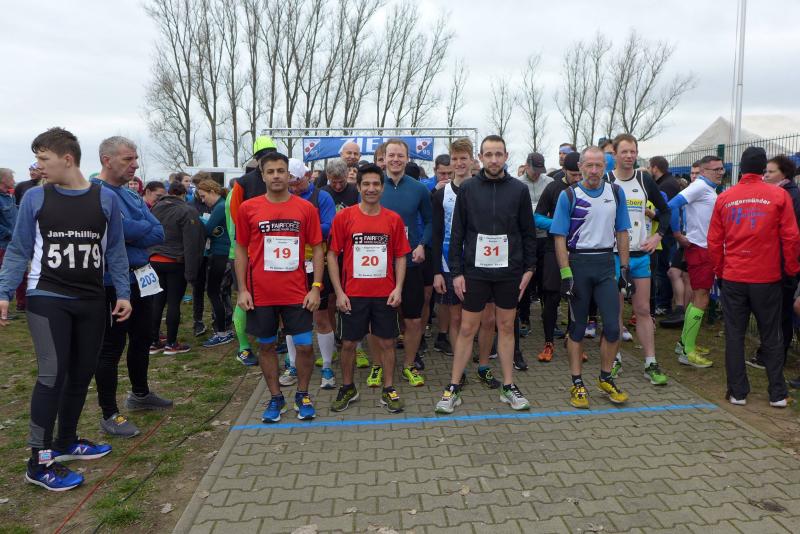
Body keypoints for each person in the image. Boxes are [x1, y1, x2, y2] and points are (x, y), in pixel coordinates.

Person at [0, 127, 131, 491]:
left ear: (67, 159)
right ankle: (39, 460)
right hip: (48, 297)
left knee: (81, 372)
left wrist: (123, 293)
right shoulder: (35, 198)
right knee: (51, 374)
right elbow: (19, 249)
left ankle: (66, 441)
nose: (38, 166)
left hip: (92, 300)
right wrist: (4, 292)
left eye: (44, 159)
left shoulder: (105, 199)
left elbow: (115, 250)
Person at [435, 135, 536, 414]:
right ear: (481, 157)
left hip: (508, 272)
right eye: (488, 154)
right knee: (467, 328)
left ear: (506, 156)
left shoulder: (518, 190)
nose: (493, 159)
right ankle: (453, 386)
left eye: (498, 154)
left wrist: (529, 269)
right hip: (475, 272)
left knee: (506, 326)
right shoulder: (468, 189)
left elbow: (528, 233)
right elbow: (457, 233)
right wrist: (456, 272)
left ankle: (509, 386)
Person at [707, 147, 800, 407]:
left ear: (741, 167)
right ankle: (777, 393)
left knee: (734, 334)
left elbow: (714, 241)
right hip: (767, 277)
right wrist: (791, 270)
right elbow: (791, 237)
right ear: (762, 169)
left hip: (734, 276)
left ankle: (737, 392)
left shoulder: (725, 197)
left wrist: (720, 271)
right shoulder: (779, 195)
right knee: (772, 334)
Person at [235, 151, 324, 422]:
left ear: (289, 175)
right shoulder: (248, 208)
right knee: (266, 346)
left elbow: (318, 248)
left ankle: (303, 394)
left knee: (305, 346)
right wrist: (242, 289)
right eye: (270, 171)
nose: (276, 176)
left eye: (281, 171)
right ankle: (276, 398)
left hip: (297, 292)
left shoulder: (305, 208)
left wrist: (316, 287)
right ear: (262, 176)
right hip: (261, 293)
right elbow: (241, 250)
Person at [92, 137, 170, 439]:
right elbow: (116, 231)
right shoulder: (95, 193)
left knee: (143, 337)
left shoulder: (130, 194)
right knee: (111, 347)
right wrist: (134, 228)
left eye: (135, 158)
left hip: (142, 277)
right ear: (106, 159)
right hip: (112, 283)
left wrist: (132, 229)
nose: (135, 165)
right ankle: (109, 413)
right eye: (128, 159)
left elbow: (158, 231)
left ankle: (140, 393)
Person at [551, 146, 632, 409]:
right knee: (577, 328)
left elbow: (622, 231)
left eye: (599, 166)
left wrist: (625, 269)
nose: (594, 171)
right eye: (589, 166)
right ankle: (577, 383)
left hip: (606, 264)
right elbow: (559, 237)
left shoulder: (615, 192)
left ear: (605, 167)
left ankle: (605, 377)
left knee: (613, 328)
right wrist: (566, 274)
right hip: (579, 264)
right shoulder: (568, 195)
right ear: (581, 167)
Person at [327, 164, 411, 412]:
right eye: (366, 184)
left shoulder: (393, 219)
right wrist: (339, 292)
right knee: (349, 344)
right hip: (353, 294)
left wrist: (398, 288)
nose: (371, 189)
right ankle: (348, 387)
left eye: (376, 184)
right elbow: (332, 255)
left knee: (387, 343)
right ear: (358, 187)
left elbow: (401, 256)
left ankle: (388, 388)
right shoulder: (344, 217)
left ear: (382, 188)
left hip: (384, 294)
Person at [431, 138, 500, 388]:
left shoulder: (486, 189)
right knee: (457, 319)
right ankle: (458, 370)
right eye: (455, 159)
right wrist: (437, 271)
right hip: (450, 264)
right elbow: (436, 234)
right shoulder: (441, 194)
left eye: (464, 158)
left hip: (483, 263)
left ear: (473, 160)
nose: (459, 163)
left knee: (488, 319)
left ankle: (483, 366)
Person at [606, 134, 671, 386]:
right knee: (615, 311)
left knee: (643, 310)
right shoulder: (607, 180)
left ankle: (650, 362)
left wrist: (657, 236)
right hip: (613, 256)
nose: (629, 156)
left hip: (640, 256)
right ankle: (614, 359)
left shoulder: (644, 179)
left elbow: (665, 211)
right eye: (624, 151)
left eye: (633, 151)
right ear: (614, 154)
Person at [379, 138, 432, 387]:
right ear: (384, 158)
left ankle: (409, 365)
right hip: (378, 265)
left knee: (413, 319)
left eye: (400, 155)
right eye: (391, 155)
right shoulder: (373, 185)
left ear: (407, 158)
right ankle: (380, 366)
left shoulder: (419, 189)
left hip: (410, 262)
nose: (396, 160)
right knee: (379, 320)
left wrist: (422, 244)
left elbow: (430, 221)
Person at [281, 158, 338, 389]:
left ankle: (327, 366)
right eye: (290, 183)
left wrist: (301, 227)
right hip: (289, 265)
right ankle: (293, 365)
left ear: (306, 175)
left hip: (315, 264)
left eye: (296, 182)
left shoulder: (322, 197)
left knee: (321, 317)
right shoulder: (283, 198)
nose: (293, 187)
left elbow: (329, 226)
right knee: (290, 318)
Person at [667, 155, 724, 368]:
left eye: (721, 169)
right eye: (715, 169)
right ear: (703, 171)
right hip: (700, 248)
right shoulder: (699, 186)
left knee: (698, 296)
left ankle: (684, 343)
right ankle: (687, 352)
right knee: (701, 298)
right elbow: (672, 205)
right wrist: (677, 234)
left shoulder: (707, 188)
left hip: (704, 248)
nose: (720, 172)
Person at [227, 135, 278, 366]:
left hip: (271, 253)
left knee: (271, 297)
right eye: (263, 156)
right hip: (243, 252)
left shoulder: (277, 181)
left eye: (271, 154)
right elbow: (235, 219)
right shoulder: (242, 184)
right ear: (256, 159)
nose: (267, 159)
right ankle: (244, 347)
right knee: (244, 295)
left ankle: (269, 340)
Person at [751, 155, 800, 375]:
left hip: (783, 263)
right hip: (774, 261)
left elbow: (789, 234)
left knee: (780, 312)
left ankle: (773, 356)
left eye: (771, 172)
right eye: (765, 171)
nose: (766, 176)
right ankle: (771, 353)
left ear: (784, 174)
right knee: (774, 311)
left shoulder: (790, 196)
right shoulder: (778, 193)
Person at [533, 152, 583, 362]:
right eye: (573, 175)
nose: (577, 179)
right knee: (552, 297)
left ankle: (574, 339)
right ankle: (548, 343)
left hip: (580, 250)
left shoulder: (588, 189)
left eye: (580, 175)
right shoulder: (553, 188)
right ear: (564, 171)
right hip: (554, 248)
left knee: (578, 296)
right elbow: (536, 218)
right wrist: (560, 226)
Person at [148, 182, 206, 355]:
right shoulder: (187, 210)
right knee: (173, 302)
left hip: (154, 259)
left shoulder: (155, 208)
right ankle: (171, 343)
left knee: (157, 301)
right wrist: (192, 273)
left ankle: (154, 341)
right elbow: (192, 243)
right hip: (175, 261)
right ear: (183, 195)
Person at [195, 179, 234, 347]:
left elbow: (207, 230)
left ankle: (221, 332)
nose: (203, 201)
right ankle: (226, 327)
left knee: (213, 292)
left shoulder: (220, 207)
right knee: (223, 293)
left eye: (204, 196)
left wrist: (198, 221)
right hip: (225, 254)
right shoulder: (223, 205)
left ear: (212, 191)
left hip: (220, 254)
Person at [518, 152, 553, 336]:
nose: (537, 173)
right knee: (526, 281)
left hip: (545, 238)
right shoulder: (517, 184)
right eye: (534, 170)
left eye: (540, 170)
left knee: (546, 281)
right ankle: (524, 318)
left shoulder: (549, 183)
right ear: (526, 165)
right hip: (526, 239)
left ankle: (549, 319)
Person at [649, 156, 681, 316]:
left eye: (650, 167)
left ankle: (664, 304)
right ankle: (663, 302)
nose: (649, 170)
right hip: (666, 232)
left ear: (655, 168)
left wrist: (653, 215)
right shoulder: (668, 182)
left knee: (663, 269)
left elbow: (665, 210)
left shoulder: (666, 185)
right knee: (663, 269)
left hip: (666, 233)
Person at [0, 168, 18, 298]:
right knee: (4, 275)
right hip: (2, 245)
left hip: (12, 243)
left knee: (17, 273)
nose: (14, 181)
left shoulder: (10, 196)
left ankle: (20, 303)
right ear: (3, 180)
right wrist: (10, 233)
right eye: (11, 178)